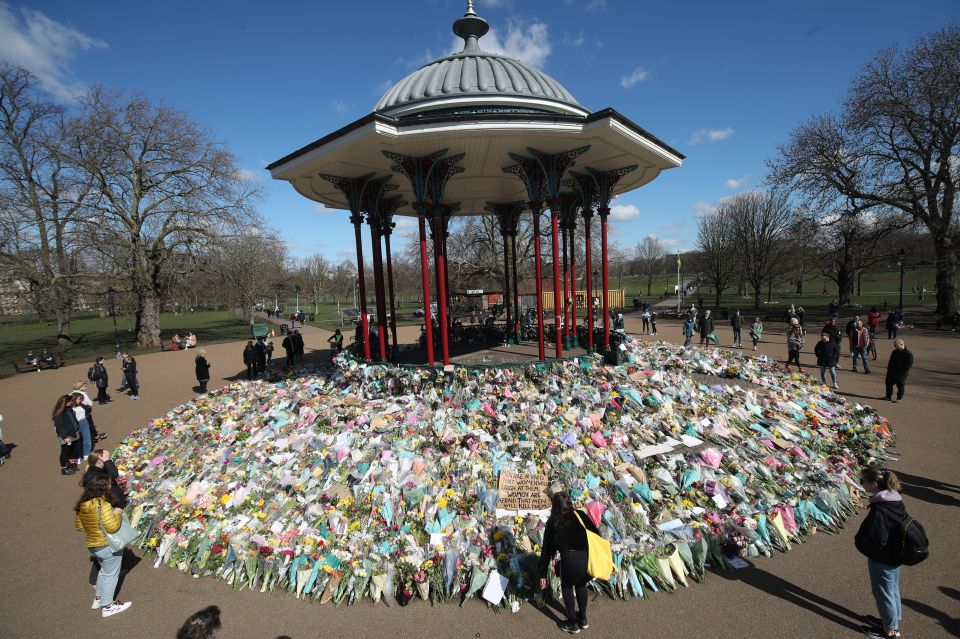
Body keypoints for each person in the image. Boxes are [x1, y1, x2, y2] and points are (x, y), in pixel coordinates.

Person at [538, 490, 602, 634]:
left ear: (555, 505)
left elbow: (546, 550)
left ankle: (572, 623)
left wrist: (542, 573)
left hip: (570, 558)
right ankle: (583, 619)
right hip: (586, 557)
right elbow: (597, 534)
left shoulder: (553, 521)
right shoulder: (581, 515)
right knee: (580, 584)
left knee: (567, 587)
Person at [855, 468, 906, 639]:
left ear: (874, 485)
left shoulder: (880, 510)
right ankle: (891, 621)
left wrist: (863, 544)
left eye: (863, 481)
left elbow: (876, 538)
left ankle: (889, 631)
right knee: (892, 590)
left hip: (884, 558)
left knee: (883, 593)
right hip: (896, 556)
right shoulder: (895, 500)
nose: (861, 484)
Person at [74, 475, 133, 617]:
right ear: (103, 488)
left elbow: (80, 526)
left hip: (93, 544)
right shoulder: (104, 505)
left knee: (103, 572)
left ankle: (98, 598)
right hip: (107, 545)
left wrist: (95, 527)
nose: (110, 486)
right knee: (111, 575)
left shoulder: (83, 505)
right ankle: (107, 606)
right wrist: (117, 514)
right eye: (108, 484)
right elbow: (112, 527)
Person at [53, 394, 81, 475]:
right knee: (65, 452)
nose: (71, 402)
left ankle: (72, 465)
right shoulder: (58, 414)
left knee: (73, 451)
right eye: (70, 401)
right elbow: (60, 427)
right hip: (66, 435)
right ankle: (64, 468)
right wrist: (65, 437)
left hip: (74, 433)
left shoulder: (69, 409)